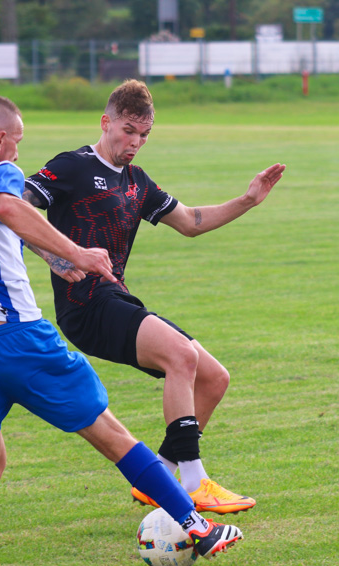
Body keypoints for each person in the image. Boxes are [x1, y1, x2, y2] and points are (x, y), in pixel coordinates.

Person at [0, 94, 243, 566]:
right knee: (113, 435)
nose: (17, 154)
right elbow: (9, 206)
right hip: (16, 336)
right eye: (16, 143)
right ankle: (199, 527)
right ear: (0, 139)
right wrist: (77, 254)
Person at [23, 79, 285, 515]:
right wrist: (56, 255)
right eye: (128, 130)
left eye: (144, 135)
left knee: (213, 378)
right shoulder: (71, 166)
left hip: (117, 299)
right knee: (181, 356)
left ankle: (157, 477)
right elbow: (17, 204)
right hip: (85, 304)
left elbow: (191, 222)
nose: (135, 142)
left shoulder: (137, 182)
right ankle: (194, 481)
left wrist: (248, 200)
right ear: (106, 122)